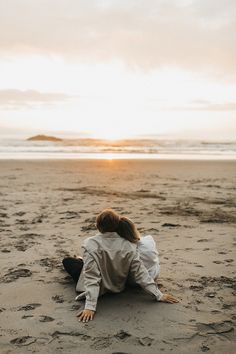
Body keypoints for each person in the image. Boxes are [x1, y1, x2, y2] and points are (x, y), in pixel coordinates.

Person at [62, 209, 178, 323]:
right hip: (117, 287)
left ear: (98, 226)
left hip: (100, 288)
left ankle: (80, 260)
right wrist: (158, 294)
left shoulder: (90, 243)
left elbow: (91, 277)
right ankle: (81, 260)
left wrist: (90, 307)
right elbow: (140, 273)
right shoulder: (129, 245)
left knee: (67, 261)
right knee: (87, 262)